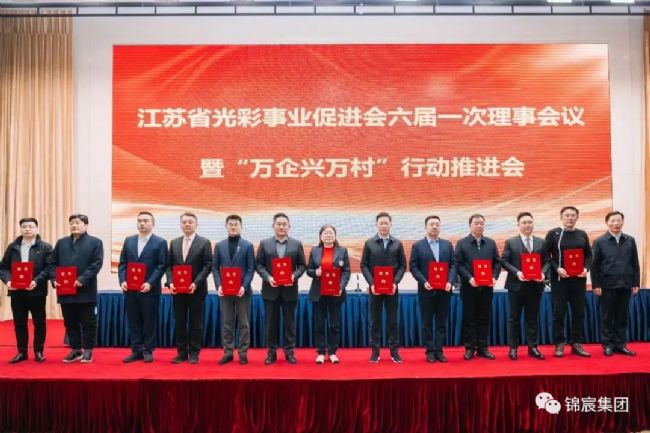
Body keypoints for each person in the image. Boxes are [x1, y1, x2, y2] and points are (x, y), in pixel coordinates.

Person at [49, 214, 104, 363]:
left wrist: (81, 280)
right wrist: (54, 279)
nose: (74, 225)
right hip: (65, 290)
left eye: (78, 223)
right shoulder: (62, 243)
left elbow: (96, 264)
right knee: (70, 322)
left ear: (86, 225)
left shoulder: (95, 242)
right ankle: (75, 349)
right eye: (72, 223)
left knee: (88, 322)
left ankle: (88, 350)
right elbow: (52, 263)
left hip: (85, 290)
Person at [255, 213, 306, 365]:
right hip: (270, 290)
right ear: (273, 226)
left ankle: (289, 352)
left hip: (290, 290)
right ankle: (271, 353)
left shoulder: (296, 244)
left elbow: (302, 266)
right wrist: (268, 277)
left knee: (289, 323)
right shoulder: (265, 243)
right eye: (279, 224)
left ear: (289, 226)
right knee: (270, 323)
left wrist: (293, 276)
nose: (282, 227)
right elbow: (259, 265)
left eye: (284, 224)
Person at [0, 218, 52, 363]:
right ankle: (22, 352)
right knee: (19, 322)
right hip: (17, 291)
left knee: (39, 322)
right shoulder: (13, 247)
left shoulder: (45, 247)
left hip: (37, 291)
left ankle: (38, 351)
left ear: (37, 228)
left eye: (30, 226)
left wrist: (36, 281)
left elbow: (50, 268)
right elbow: (3, 268)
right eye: (24, 226)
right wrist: (8, 281)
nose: (27, 229)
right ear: (20, 229)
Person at [118, 211, 168, 363]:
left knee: (149, 321)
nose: (142, 223)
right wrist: (122, 280)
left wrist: (150, 283)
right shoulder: (129, 241)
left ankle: (148, 350)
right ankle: (136, 350)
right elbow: (123, 264)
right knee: (133, 320)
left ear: (153, 223)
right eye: (139, 221)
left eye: (146, 221)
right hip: (130, 289)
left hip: (149, 290)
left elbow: (162, 265)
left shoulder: (160, 242)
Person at [501, 212, 550, 360]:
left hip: (535, 287)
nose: (527, 225)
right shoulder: (511, 242)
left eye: (530, 222)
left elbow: (547, 261)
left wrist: (543, 273)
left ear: (533, 224)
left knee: (532, 318)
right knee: (514, 318)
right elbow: (504, 261)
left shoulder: (541, 242)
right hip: (516, 286)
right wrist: (517, 273)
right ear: (518, 225)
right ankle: (513, 348)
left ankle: (533, 347)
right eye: (524, 222)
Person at [165, 212, 212, 364]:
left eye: (190, 222)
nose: (187, 224)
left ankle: (194, 353)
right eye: (184, 222)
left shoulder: (204, 242)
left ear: (196, 224)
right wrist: (171, 282)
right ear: (180, 224)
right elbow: (169, 266)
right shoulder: (174, 243)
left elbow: (208, 265)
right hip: (178, 291)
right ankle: (181, 353)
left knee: (195, 323)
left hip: (196, 290)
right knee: (180, 322)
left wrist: (196, 283)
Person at [545, 206, 592, 358]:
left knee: (579, 313)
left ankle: (576, 344)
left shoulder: (582, 234)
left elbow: (589, 256)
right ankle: (559, 343)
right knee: (559, 313)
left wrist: (586, 268)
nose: (570, 218)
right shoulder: (553, 233)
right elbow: (546, 256)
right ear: (561, 217)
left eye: (573, 215)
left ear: (577, 217)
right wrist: (557, 268)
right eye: (567, 215)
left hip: (579, 281)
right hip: (560, 281)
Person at [591, 211, 640, 356]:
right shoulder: (599, 241)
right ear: (607, 223)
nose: (616, 223)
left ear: (622, 222)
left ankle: (621, 345)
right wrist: (596, 285)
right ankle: (607, 345)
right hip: (607, 285)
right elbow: (594, 266)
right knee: (607, 317)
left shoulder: (630, 240)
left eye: (618, 220)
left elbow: (635, 263)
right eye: (612, 221)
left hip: (625, 284)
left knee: (622, 317)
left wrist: (635, 283)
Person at [360, 212, 407, 364]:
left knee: (393, 321)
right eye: (381, 223)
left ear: (390, 224)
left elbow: (403, 265)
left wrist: (395, 282)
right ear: (376, 225)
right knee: (375, 321)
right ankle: (375, 352)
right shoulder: (369, 243)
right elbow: (364, 265)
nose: (384, 225)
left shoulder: (397, 243)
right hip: (375, 289)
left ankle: (394, 352)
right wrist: (371, 283)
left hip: (392, 288)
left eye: (386, 223)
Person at [409, 215, 456, 363]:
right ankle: (429, 351)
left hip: (444, 290)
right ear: (426, 227)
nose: (435, 227)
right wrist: (423, 281)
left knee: (441, 322)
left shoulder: (447, 245)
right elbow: (414, 267)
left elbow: (453, 265)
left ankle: (439, 350)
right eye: (432, 224)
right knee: (427, 323)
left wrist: (450, 281)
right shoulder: (418, 246)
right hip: (426, 291)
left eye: (437, 224)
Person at [455, 213, 501, 360]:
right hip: (469, 287)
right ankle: (470, 348)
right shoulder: (462, 243)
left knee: (484, 317)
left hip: (487, 288)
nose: (479, 226)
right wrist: (469, 278)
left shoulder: (491, 243)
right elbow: (458, 264)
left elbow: (497, 263)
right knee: (469, 318)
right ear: (470, 225)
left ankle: (483, 348)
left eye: (481, 223)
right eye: (476, 223)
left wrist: (494, 277)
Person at [212, 214, 255, 365]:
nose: (233, 227)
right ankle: (228, 353)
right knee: (227, 323)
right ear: (226, 226)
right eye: (230, 224)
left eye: (236, 224)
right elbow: (215, 268)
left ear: (241, 226)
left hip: (243, 291)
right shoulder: (219, 246)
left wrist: (244, 286)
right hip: (225, 291)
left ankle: (243, 353)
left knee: (244, 323)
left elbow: (250, 269)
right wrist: (219, 285)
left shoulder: (248, 246)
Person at [306, 224, 351, 364]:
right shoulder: (315, 251)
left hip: (335, 293)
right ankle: (320, 352)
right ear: (321, 236)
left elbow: (346, 271)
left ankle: (332, 352)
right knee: (319, 324)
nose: (328, 235)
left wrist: (340, 286)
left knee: (334, 325)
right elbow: (309, 270)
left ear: (335, 235)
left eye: (331, 233)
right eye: (325, 233)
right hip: (318, 293)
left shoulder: (342, 251)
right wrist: (315, 272)